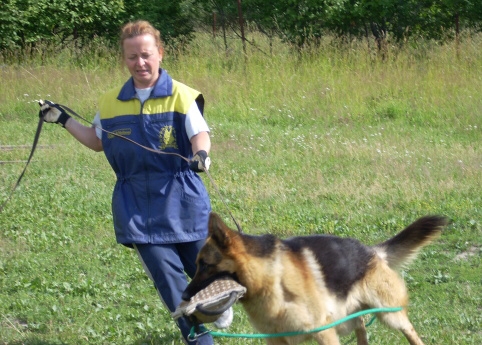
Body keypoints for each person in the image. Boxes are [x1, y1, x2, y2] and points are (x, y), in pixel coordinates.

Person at [38, 20, 232, 344]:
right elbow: (96, 140)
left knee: (209, 274)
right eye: (132, 57)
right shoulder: (111, 101)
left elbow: (199, 133)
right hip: (137, 210)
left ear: (159, 53)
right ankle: (199, 339)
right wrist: (63, 119)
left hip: (182, 200)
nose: (140, 63)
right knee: (170, 284)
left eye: (146, 54)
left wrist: (201, 155)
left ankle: (216, 304)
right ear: (124, 59)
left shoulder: (181, 96)